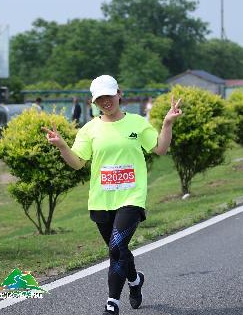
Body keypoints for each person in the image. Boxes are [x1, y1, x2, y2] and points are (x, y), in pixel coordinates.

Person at [42, 75, 182, 315]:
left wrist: (167, 123)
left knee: (116, 248)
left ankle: (112, 304)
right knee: (119, 250)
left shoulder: (137, 123)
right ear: (94, 101)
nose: (106, 101)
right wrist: (62, 146)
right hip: (101, 199)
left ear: (119, 93)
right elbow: (77, 163)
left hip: (131, 198)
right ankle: (135, 280)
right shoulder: (90, 129)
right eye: (100, 98)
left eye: (109, 95)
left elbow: (160, 149)